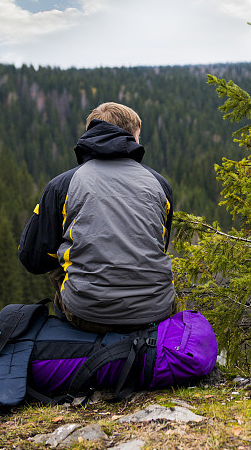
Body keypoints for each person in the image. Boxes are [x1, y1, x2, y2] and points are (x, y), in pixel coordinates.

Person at [18, 102, 174, 333]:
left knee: (62, 262)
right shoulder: (160, 184)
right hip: (156, 311)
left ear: (91, 133)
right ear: (132, 136)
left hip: (86, 314)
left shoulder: (63, 185)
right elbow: (159, 245)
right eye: (139, 136)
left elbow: (32, 258)